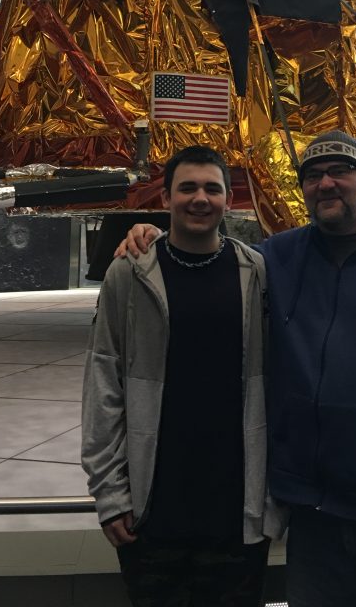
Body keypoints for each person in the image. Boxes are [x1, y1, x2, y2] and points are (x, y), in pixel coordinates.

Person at [119, 130, 356, 607]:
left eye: (340, 171)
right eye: (313, 176)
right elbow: (208, 250)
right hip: (317, 517)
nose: (326, 184)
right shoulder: (281, 257)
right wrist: (155, 236)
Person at [82, 145, 283, 607]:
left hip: (237, 515)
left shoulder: (258, 274)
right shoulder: (128, 274)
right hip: (151, 516)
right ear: (167, 197)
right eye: (187, 187)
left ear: (228, 199)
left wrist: (271, 506)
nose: (200, 198)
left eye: (212, 188)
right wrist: (110, 495)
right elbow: (103, 382)